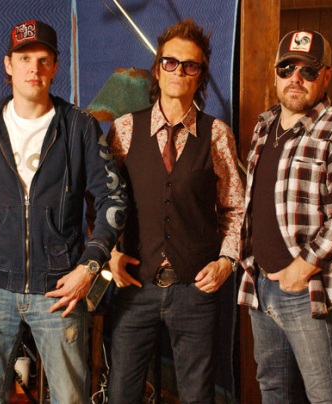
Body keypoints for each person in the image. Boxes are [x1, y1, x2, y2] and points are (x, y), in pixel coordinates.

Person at [0, 19, 128, 403]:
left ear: (55, 66)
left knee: (70, 398)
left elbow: (113, 199)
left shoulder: (79, 126)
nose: (34, 68)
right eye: (24, 58)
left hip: (59, 290)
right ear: (8, 64)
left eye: (43, 59)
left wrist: (89, 267)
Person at [106, 18, 244, 403]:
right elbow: (102, 202)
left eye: (190, 65)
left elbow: (235, 207)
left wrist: (227, 262)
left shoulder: (217, 135)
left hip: (195, 291)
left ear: (201, 75)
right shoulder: (123, 130)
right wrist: (110, 253)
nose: (179, 71)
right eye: (171, 62)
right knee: (121, 393)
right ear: (157, 68)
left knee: (197, 395)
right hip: (135, 287)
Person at [237, 30, 332, 403]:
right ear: (275, 74)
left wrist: (301, 270)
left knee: (328, 396)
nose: (295, 78)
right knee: (274, 390)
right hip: (262, 286)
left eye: (308, 70)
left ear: (326, 76)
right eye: (287, 68)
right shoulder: (264, 127)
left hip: (312, 290)